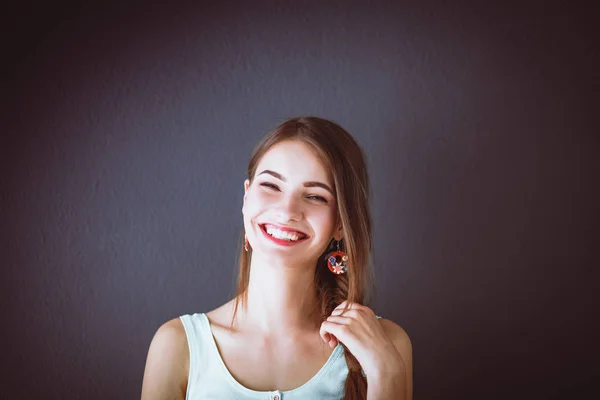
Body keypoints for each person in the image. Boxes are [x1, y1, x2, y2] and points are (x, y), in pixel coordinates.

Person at [141, 117, 413, 399]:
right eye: (271, 186)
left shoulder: (388, 345)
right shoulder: (176, 345)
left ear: (340, 224)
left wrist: (386, 374)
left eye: (316, 196)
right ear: (246, 198)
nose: (287, 211)